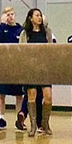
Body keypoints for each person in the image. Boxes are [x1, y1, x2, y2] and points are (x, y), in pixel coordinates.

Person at [20, 8, 55, 136]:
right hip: (31, 68)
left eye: (40, 15)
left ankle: (45, 123)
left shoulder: (47, 32)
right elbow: (21, 51)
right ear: (30, 18)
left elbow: (51, 50)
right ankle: (33, 125)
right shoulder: (25, 34)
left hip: (44, 69)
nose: (39, 18)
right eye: (36, 15)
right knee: (32, 96)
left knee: (48, 97)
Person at [0, 6, 24, 131]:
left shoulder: (20, 29)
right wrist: (2, 24)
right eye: (8, 14)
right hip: (4, 66)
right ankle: (1, 118)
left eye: (12, 14)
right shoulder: (2, 29)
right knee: (1, 93)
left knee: (19, 94)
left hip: (17, 66)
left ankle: (19, 119)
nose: (10, 16)